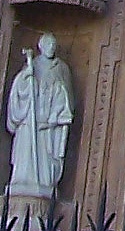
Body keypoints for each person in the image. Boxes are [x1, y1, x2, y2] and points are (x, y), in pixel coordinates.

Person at [6, 33, 74, 199]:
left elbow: (66, 95)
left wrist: (55, 116)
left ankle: (45, 181)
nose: (52, 47)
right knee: (26, 153)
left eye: (54, 44)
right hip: (30, 121)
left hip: (48, 123)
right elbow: (20, 89)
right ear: (41, 46)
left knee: (46, 157)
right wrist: (27, 75)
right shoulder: (33, 65)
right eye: (49, 44)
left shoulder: (61, 68)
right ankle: (23, 180)